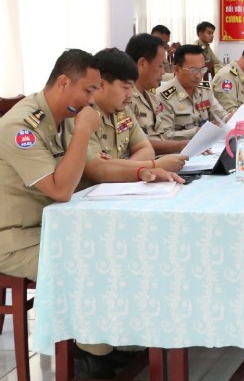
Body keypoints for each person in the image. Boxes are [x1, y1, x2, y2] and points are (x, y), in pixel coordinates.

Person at [0, 50, 180, 379]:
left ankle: (116, 338)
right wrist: (83, 130)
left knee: (128, 245)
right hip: (17, 237)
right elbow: (60, 189)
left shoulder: (67, 115)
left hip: (61, 225)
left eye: (95, 90)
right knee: (92, 258)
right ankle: (90, 354)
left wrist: (138, 170)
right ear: (64, 81)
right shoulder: (21, 126)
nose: (91, 99)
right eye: (88, 90)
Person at [66, 48, 187, 190]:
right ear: (101, 84)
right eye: (125, 87)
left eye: (131, 87)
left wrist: (119, 168)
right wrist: (153, 166)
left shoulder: (123, 110)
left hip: (120, 189)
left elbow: (146, 149)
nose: (130, 94)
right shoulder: (82, 114)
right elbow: (95, 169)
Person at [125, 34, 187, 154]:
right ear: (142, 63)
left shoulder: (151, 96)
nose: (163, 72)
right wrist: (180, 146)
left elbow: (161, 136)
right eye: (160, 66)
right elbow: (135, 144)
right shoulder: (126, 99)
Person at [157, 44, 229, 140]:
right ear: (177, 69)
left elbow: (221, 115)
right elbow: (165, 135)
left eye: (202, 69)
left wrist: (230, 118)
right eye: (193, 70)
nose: (199, 76)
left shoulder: (205, 89)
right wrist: (196, 132)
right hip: (179, 151)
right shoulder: (163, 96)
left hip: (207, 148)